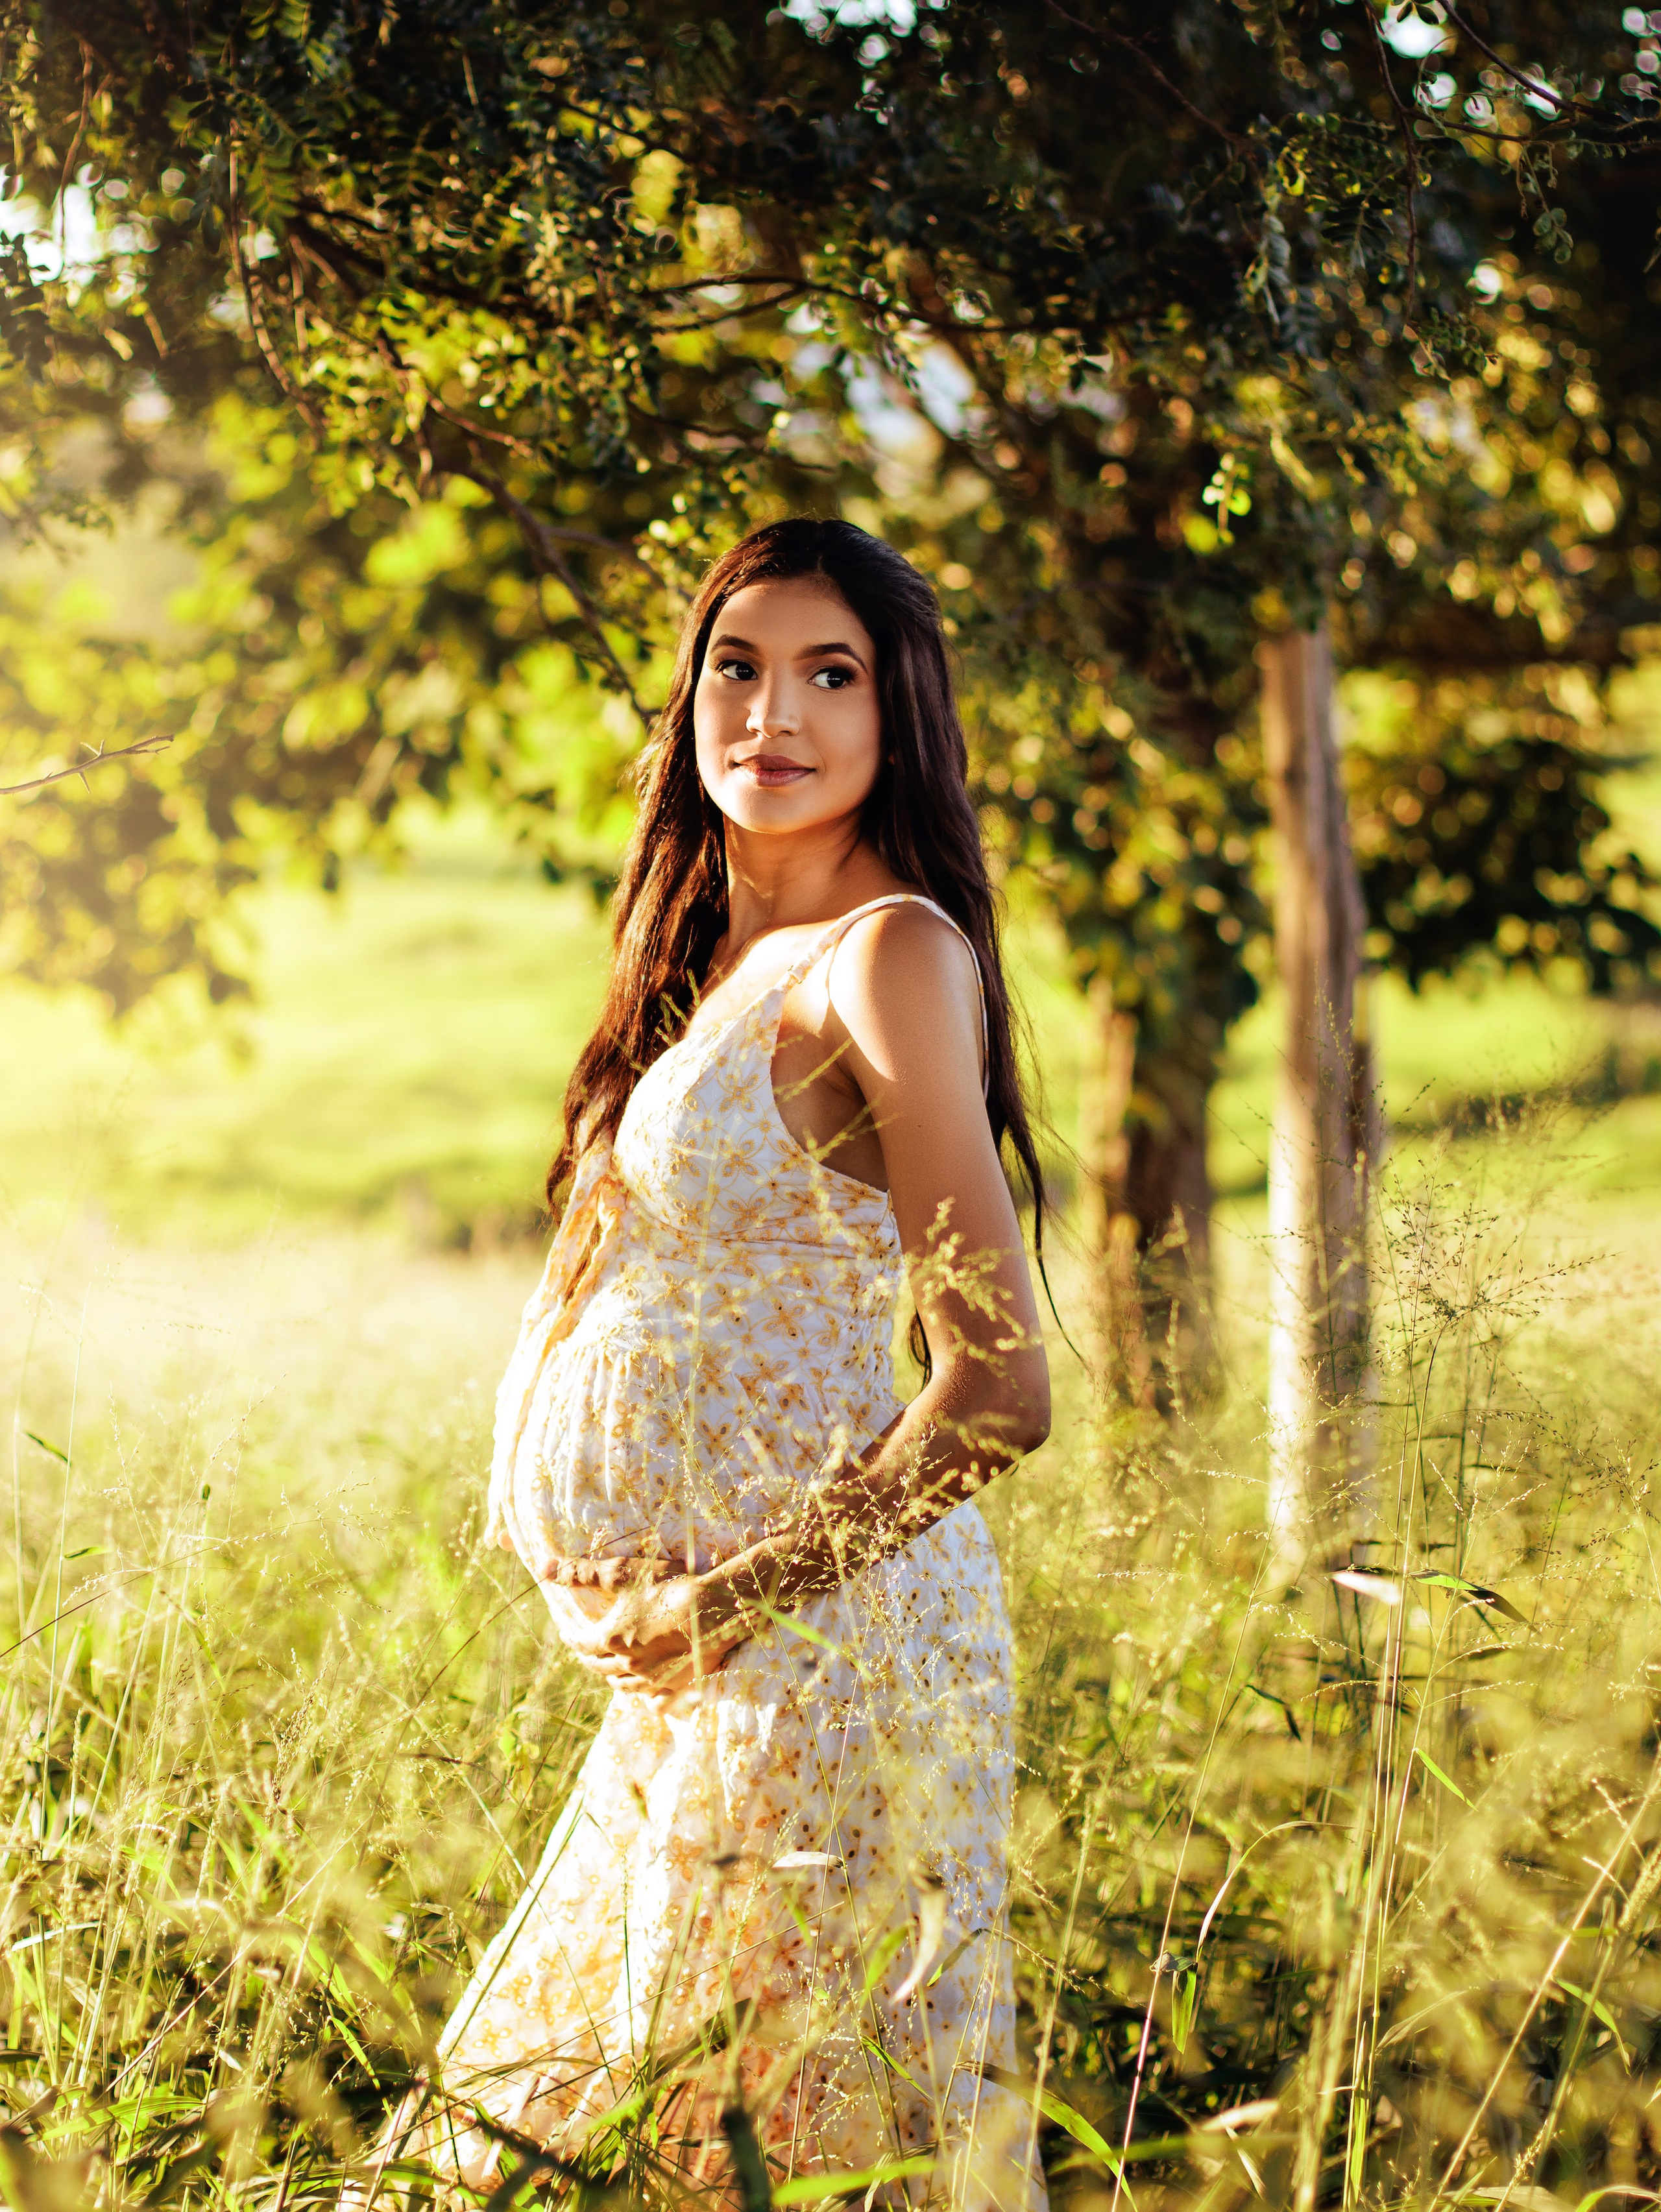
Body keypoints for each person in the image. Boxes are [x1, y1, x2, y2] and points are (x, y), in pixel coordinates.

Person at [365, 518, 1052, 2209]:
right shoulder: (710, 963)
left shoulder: (887, 952)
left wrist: (721, 1602)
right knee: (631, 2108)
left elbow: (1002, 1386)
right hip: (701, 1659)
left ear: (902, 715)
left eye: (833, 673)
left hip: (817, 1648)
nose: (774, 710)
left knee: (745, 2128)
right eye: (737, 665)